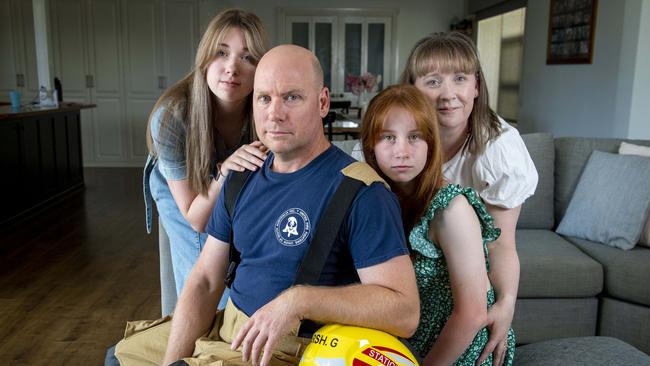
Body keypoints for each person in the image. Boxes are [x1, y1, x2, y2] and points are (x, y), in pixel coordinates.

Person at [115, 45, 420, 366]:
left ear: (322, 102)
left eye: (291, 97)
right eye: (264, 98)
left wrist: (298, 301)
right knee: (119, 357)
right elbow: (205, 279)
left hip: (284, 348)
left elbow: (404, 311)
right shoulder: (242, 175)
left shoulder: (361, 191)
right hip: (225, 328)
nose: (274, 113)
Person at [352, 31, 537, 365]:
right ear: (412, 87)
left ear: (477, 86)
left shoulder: (498, 150)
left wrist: (505, 303)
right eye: (433, 81)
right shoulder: (391, 150)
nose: (448, 94)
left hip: (463, 297)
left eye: (460, 79)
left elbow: (500, 243)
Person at [143, 9, 269, 316]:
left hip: (231, 175)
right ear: (205, 57)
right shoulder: (171, 117)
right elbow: (196, 218)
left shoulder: (265, 107)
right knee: (200, 262)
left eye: (247, 57)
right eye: (221, 53)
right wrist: (226, 170)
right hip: (186, 195)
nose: (231, 68)